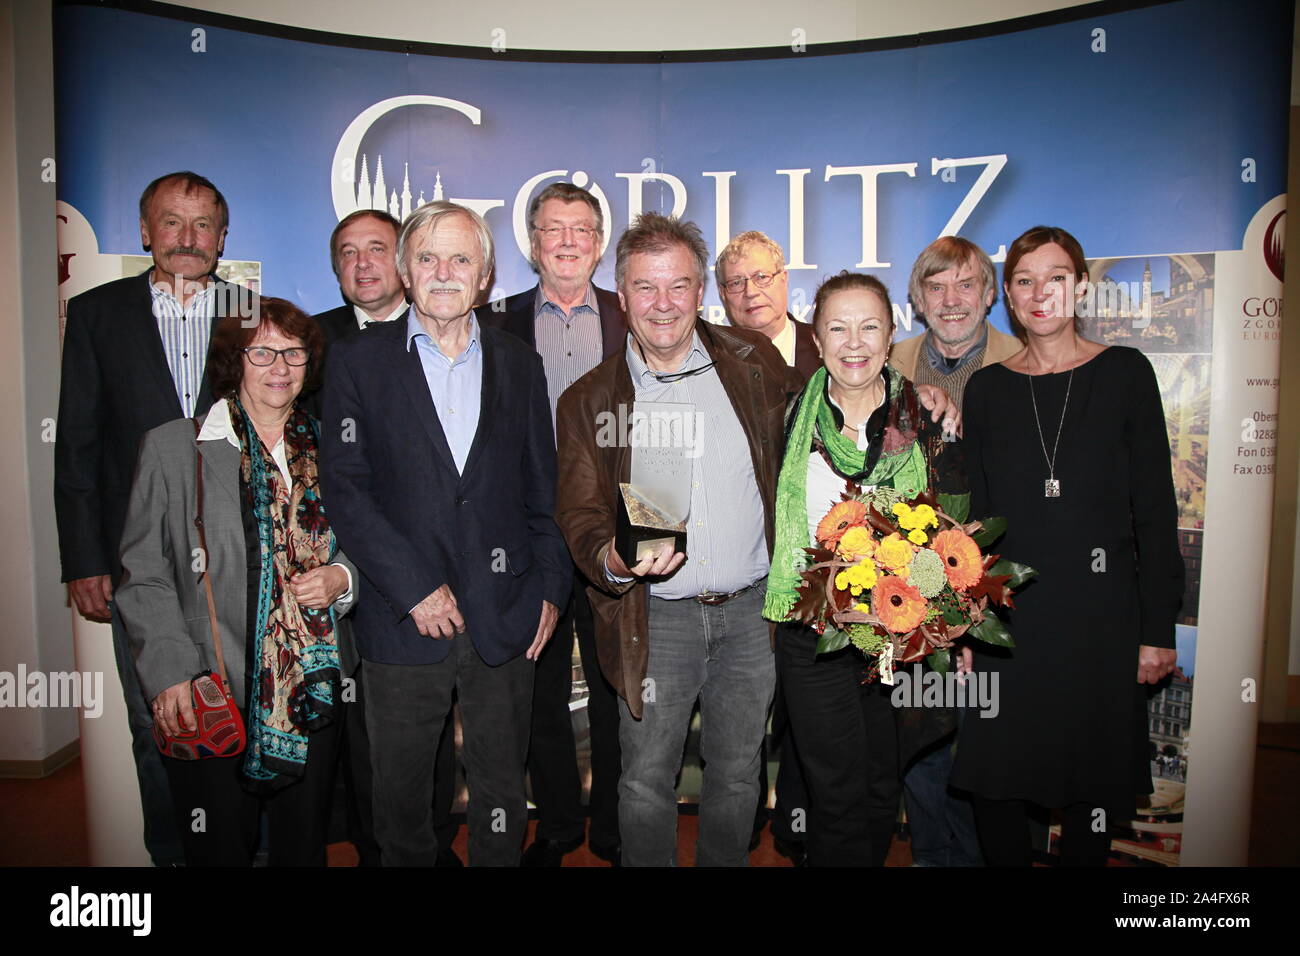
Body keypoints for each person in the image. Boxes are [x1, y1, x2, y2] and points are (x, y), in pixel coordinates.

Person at [320, 200, 571, 867]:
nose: (443, 272)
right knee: (400, 802)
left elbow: (541, 491)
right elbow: (346, 490)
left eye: (461, 258)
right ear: (404, 269)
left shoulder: (520, 364)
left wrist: (549, 592)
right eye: (427, 257)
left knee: (500, 793)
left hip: (507, 614)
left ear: (484, 276)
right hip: (403, 620)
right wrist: (414, 589)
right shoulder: (355, 362)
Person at [555, 213, 805, 867]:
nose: (662, 304)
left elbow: (827, 430)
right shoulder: (589, 399)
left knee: (739, 777)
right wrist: (611, 558)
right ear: (622, 294)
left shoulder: (757, 367)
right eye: (645, 287)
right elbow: (579, 515)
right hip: (653, 618)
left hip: (753, 613)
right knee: (643, 781)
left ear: (700, 292)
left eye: (679, 286)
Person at [950, 225, 1183, 866]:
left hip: (1103, 620)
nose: (1040, 293)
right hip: (1013, 621)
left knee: (1093, 786)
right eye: (1024, 281)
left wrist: (1156, 628)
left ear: (1080, 287)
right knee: (995, 781)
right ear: (1008, 296)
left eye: (1055, 278)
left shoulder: (1126, 373)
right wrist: (970, 625)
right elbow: (978, 526)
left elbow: (1156, 513)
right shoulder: (989, 389)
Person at [55, 171, 253, 866]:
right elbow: (76, 443)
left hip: (238, 557)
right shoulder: (97, 314)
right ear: (146, 232)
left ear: (222, 237)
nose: (188, 239)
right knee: (158, 721)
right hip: (139, 562)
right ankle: (173, 856)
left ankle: (245, 852)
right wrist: (83, 558)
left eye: (203, 225)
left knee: (245, 713)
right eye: (172, 222)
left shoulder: (252, 311)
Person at [116, 298, 356, 866]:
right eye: (263, 351)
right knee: (217, 846)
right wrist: (170, 671)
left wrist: (341, 575)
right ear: (234, 360)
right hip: (210, 680)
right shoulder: (174, 447)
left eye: (294, 352)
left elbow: (369, 543)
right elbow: (143, 573)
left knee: (303, 846)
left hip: (311, 683)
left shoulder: (335, 447)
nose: (280, 366)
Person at [761, 271, 965, 867]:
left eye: (869, 326)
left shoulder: (928, 420)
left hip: (898, 635)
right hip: (812, 635)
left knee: (882, 782)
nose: (855, 342)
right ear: (817, 340)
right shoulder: (786, 419)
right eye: (838, 328)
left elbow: (955, 527)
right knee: (838, 790)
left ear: (891, 334)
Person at [477, 181, 625, 866]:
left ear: (599, 244)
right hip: (529, 530)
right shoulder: (493, 322)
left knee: (616, 680)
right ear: (532, 245)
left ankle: (615, 825)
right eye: (552, 229)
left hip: (617, 528)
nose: (567, 241)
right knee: (536, 686)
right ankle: (560, 822)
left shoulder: (636, 316)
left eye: (581, 229)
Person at [311, 208, 460, 867]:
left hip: (436, 581)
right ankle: (376, 845)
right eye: (348, 251)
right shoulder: (313, 344)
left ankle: (429, 841)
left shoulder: (460, 339)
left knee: (423, 727)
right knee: (359, 728)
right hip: (333, 567)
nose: (363, 263)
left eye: (377, 248)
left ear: (402, 262)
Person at [893, 235, 1024, 867]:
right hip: (908, 590)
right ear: (916, 299)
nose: (951, 300)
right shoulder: (886, 362)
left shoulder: (1025, 363)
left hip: (998, 591)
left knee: (987, 746)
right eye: (935, 287)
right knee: (920, 740)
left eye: (965, 285)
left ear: (990, 294)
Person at [716, 230, 821, 377]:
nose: (750, 292)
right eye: (736, 282)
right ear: (723, 293)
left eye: (761, 277)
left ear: (783, 279)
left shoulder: (825, 347)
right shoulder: (710, 362)